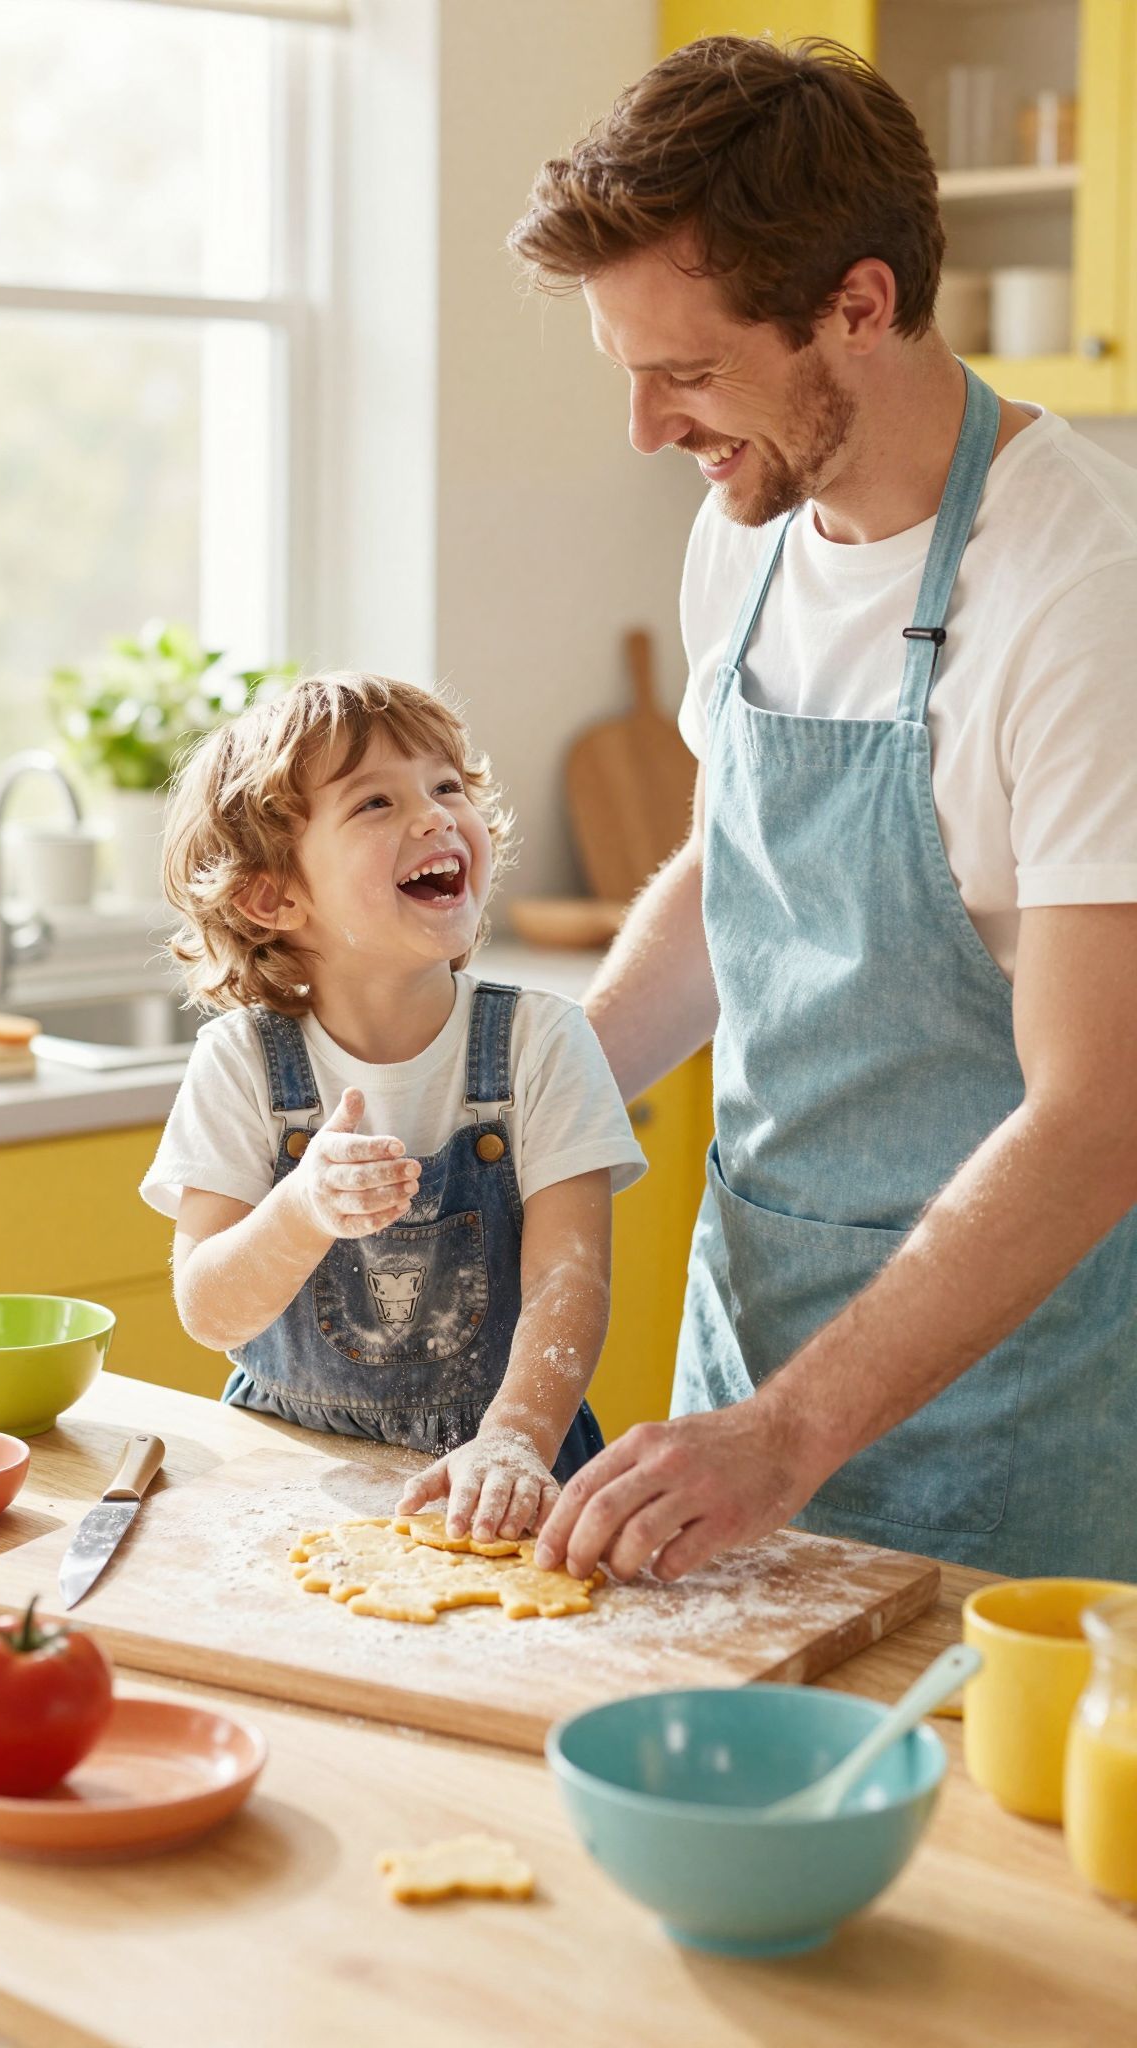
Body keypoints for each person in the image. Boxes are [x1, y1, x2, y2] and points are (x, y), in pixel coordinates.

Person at [507, 34, 1137, 1585]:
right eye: (628, 370)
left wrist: (791, 1436)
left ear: (859, 307)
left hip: (1013, 1415)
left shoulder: (1082, 598)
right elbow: (736, 887)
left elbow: (1097, 1119)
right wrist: (520, 1098)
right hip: (749, 1370)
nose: (649, 429)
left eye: (690, 370)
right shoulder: (753, 525)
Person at [141, 670, 645, 1545]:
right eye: (375, 803)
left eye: (447, 785)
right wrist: (303, 1209)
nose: (436, 815)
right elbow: (209, 1309)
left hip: (496, 1481)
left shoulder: (542, 1044)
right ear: (275, 896)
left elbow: (572, 1281)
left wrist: (516, 1442)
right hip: (291, 1480)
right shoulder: (241, 1065)